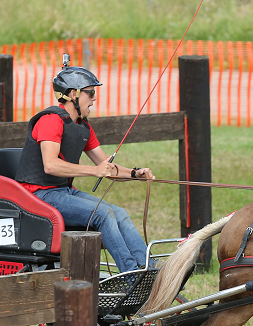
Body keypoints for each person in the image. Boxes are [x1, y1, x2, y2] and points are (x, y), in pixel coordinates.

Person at [15, 58, 153, 273]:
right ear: (73, 94)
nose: (94, 99)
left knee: (120, 212)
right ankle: (131, 274)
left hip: (63, 191)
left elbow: (105, 166)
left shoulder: (82, 126)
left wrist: (135, 173)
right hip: (38, 196)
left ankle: (148, 270)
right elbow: (51, 165)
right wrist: (94, 171)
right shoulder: (51, 120)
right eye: (90, 93)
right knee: (103, 214)